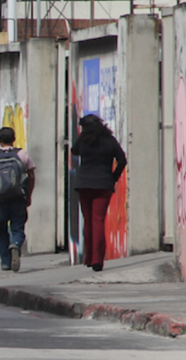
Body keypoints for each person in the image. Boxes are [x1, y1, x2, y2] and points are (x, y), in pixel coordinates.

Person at [71, 114, 127, 272]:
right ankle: (97, 259)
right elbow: (122, 160)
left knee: (88, 221)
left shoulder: (83, 140)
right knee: (98, 220)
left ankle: (89, 258)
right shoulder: (109, 140)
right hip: (103, 184)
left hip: (84, 184)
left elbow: (74, 151)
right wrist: (113, 177)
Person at [0, 127, 36, 272]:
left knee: (1, 230)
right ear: (14, 139)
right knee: (17, 226)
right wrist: (28, 195)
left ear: (0, 140)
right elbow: (31, 176)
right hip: (18, 197)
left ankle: (5, 262)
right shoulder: (22, 154)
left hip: (0, 200)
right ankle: (16, 244)